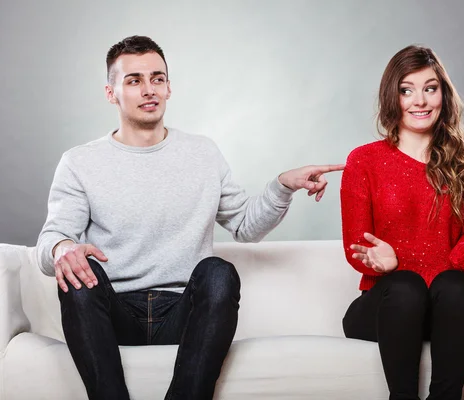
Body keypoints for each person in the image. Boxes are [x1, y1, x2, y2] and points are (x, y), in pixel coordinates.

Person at [36, 35, 343, 400]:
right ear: (111, 93)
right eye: (134, 80)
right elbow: (51, 240)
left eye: (158, 78)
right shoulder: (79, 162)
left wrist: (282, 186)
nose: (149, 89)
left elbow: (245, 227)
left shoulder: (203, 153)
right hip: (114, 315)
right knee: (77, 271)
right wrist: (61, 248)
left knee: (218, 271)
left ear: (168, 88)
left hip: (182, 315)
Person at [340, 45, 464, 400]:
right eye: (407, 89)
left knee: (453, 285)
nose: (419, 100)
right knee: (406, 285)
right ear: (392, 96)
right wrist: (383, 263)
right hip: (387, 306)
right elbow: (356, 246)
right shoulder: (364, 160)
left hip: (447, 308)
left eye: (430, 88)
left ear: (443, 94)